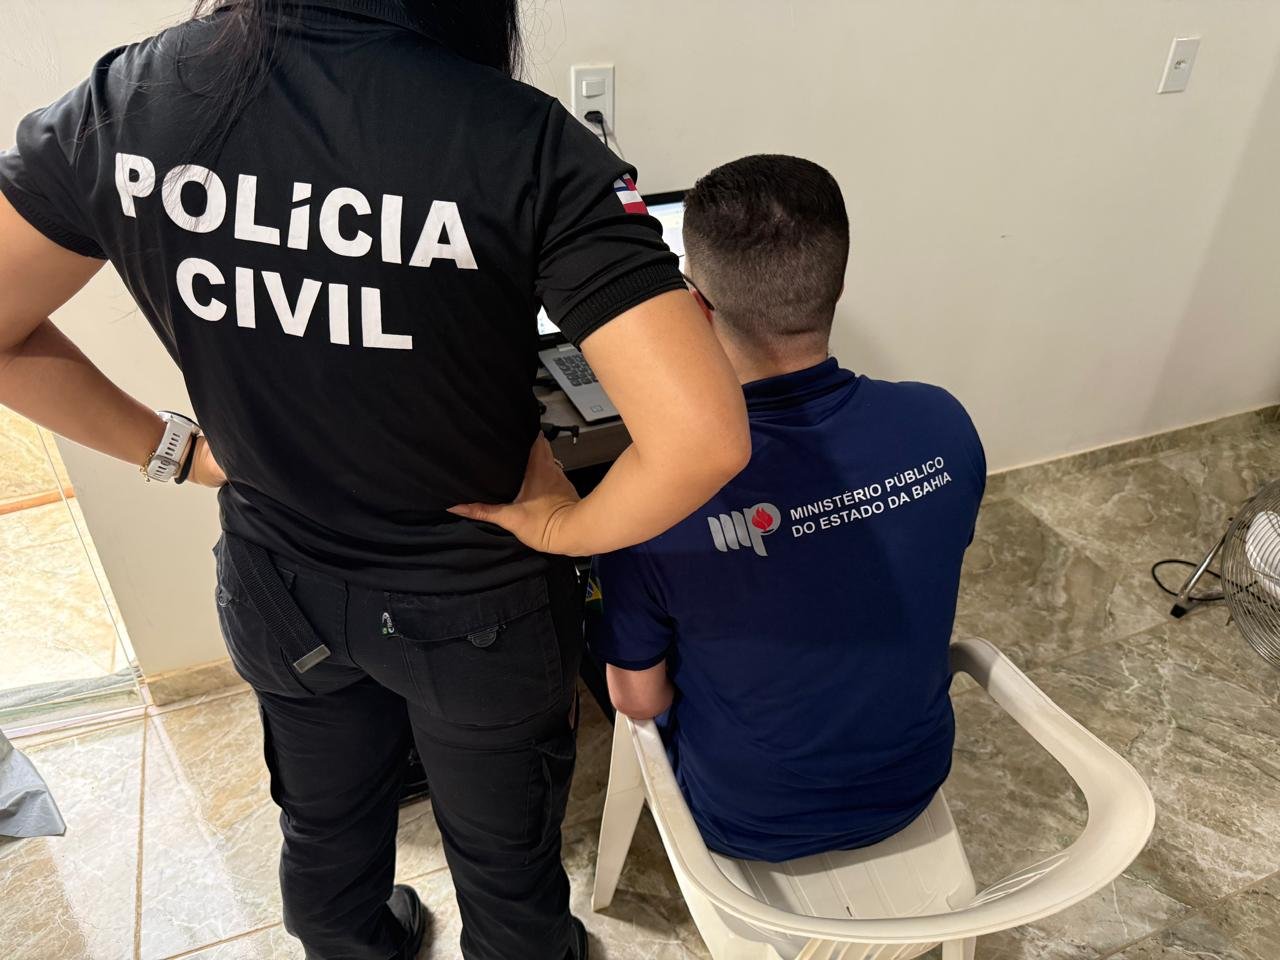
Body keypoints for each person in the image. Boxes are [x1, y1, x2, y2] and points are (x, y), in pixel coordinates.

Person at [0, 2, 751, 958]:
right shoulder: (522, 141)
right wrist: (567, 529)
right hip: (475, 606)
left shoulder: (130, 99)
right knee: (507, 868)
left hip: (277, 584)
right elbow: (703, 442)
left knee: (324, 825)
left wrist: (175, 451)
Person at [587, 155, 985, 863]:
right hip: (912, 784)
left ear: (695, 306)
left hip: (746, 821)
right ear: (836, 283)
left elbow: (639, 702)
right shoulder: (943, 425)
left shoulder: (655, 494)